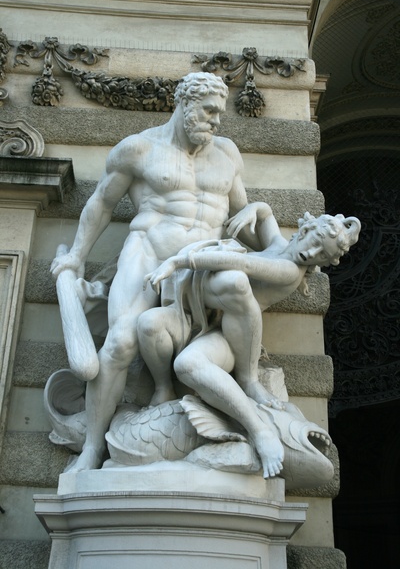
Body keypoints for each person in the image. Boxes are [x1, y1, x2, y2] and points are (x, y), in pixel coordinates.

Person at [50, 72, 260, 472]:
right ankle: (92, 448)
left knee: (234, 298)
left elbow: (241, 217)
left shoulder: (228, 154)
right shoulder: (139, 148)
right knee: (119, 344)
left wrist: (263, 219)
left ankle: (242, 393)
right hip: (148, 254)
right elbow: (101, 203)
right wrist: (76, 255)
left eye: (220, 113)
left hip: (200, 265)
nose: (216, 121)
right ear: (184, 104)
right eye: (209, 111)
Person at [140, 207, 360, 477]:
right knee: (148, 324)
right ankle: (163, 388)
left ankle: (258, 425)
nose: (312, 254)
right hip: (200, 315)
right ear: (305, 230)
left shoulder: (290, 271)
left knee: (189, 361)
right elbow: (266, 215)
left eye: (323, 256)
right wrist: (253, 209)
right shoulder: (278, 246)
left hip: (234, 338)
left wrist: (178, 261)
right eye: (316, 243)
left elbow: (240, 264)